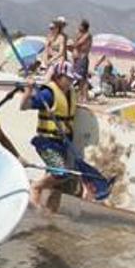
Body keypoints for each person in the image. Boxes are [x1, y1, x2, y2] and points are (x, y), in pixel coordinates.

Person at [20, 61, 84, 213]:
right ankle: (35, 187)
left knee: (58, 185)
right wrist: (28, 89)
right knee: (60, 172)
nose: (71, 82)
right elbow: (24, 106)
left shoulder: (70, 94)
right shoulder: (48, 94)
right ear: (59, 77)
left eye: (72, 79)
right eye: (68, 79)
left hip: (63, 143)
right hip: (47, 142)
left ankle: (49, 215)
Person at [71, 19, 93, 103]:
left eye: (80, 26)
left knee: (83, 79)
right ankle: (81, 96)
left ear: (84, 27)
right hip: (78, 59)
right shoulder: (82, 34)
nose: (78, 27)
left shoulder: (87, 35)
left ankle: (85, 97)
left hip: (83, 58)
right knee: (80, 79)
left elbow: (77, 43)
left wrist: (77, 37)